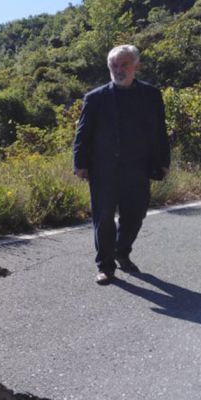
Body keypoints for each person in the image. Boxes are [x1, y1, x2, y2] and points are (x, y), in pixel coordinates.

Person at [73, 44, 170, 285]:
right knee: (103, 217)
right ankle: (105, 266)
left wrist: (163, 161)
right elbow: (82, 134)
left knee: (134, 216)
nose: (118, 69)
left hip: (138, 168)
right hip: (103, 169)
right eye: (114, 65)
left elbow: (160, 131)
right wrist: (80, 163)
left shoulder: (151, 95)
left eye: (123, 64)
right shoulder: (95, 98)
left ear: (136, 66)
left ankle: (122, 252)